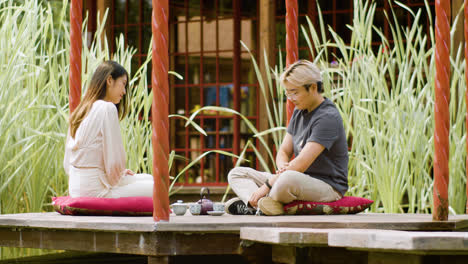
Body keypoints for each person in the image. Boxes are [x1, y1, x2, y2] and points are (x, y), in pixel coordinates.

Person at [225, 60, 348, 216]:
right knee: (236, 173)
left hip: (327, 186)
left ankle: (254, 204)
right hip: (295, 178)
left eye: (295, 92)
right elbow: (284, 150)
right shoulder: (299, 111)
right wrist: (282, 167)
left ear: (313, 87)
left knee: (286, 180)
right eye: (287, 92)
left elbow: (301, 164)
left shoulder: (327, 117)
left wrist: (269, 184)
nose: (290, 98)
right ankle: (261, 206)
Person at [63, 61, 153, 198]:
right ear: (110, 80)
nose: (124, 91)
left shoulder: (81, 110)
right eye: (123, 84)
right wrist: (119, 174)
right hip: (97, 189)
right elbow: (114, 163)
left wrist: (119, 173)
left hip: (75, 188)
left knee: (147, 178)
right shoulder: (107, 108)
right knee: (155, 186)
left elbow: (67, 165)